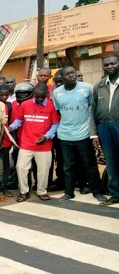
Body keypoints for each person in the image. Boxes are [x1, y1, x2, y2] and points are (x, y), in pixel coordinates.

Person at [52, 65, 105, 202]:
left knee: (90, 164)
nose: (71, 75)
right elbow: (59, 111)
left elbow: (92, 109)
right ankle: (69, 192)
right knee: (68, 166)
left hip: (84, 133)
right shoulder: (57, 93)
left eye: (73, 73)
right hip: (65, 135)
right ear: (62, 78)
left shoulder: (87, 88)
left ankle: (97, 192)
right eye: (67, 74)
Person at [9, 83, 59, 202]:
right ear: (34, 94)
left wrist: (46, 137)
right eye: (37, 97)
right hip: (26, 143)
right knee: (21, 167)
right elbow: (19, 120)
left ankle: (42, 191)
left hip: (44, 145)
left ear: (46, 94)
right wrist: (12, 127)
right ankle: (24, 192)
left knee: (43, 170)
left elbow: (55, 124)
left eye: (42, 97)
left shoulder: (52, 106)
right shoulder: (26, 104)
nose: (39, 99)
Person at [91, 54, 119, 206]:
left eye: (112, 63)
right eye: (106, 64)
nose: (109, 66)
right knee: (111, 162)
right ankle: (115, 194)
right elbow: (92, 111)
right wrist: (94, 134)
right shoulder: (99, 86)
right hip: (104, 128)